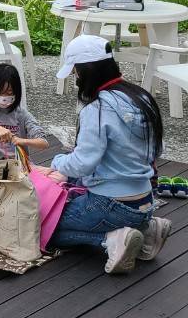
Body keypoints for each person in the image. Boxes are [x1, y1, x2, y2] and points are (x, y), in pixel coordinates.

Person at [46, 35, 169, 274]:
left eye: (75, 73)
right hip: (145, 200)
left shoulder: (97, 108)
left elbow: (83, 163)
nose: (75, 79)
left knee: (46, 227)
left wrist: (58, 163)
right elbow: (158, 150)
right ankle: (147, 229)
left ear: (85, 72)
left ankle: (110, 239)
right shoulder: (141, 97)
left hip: (110, 204)